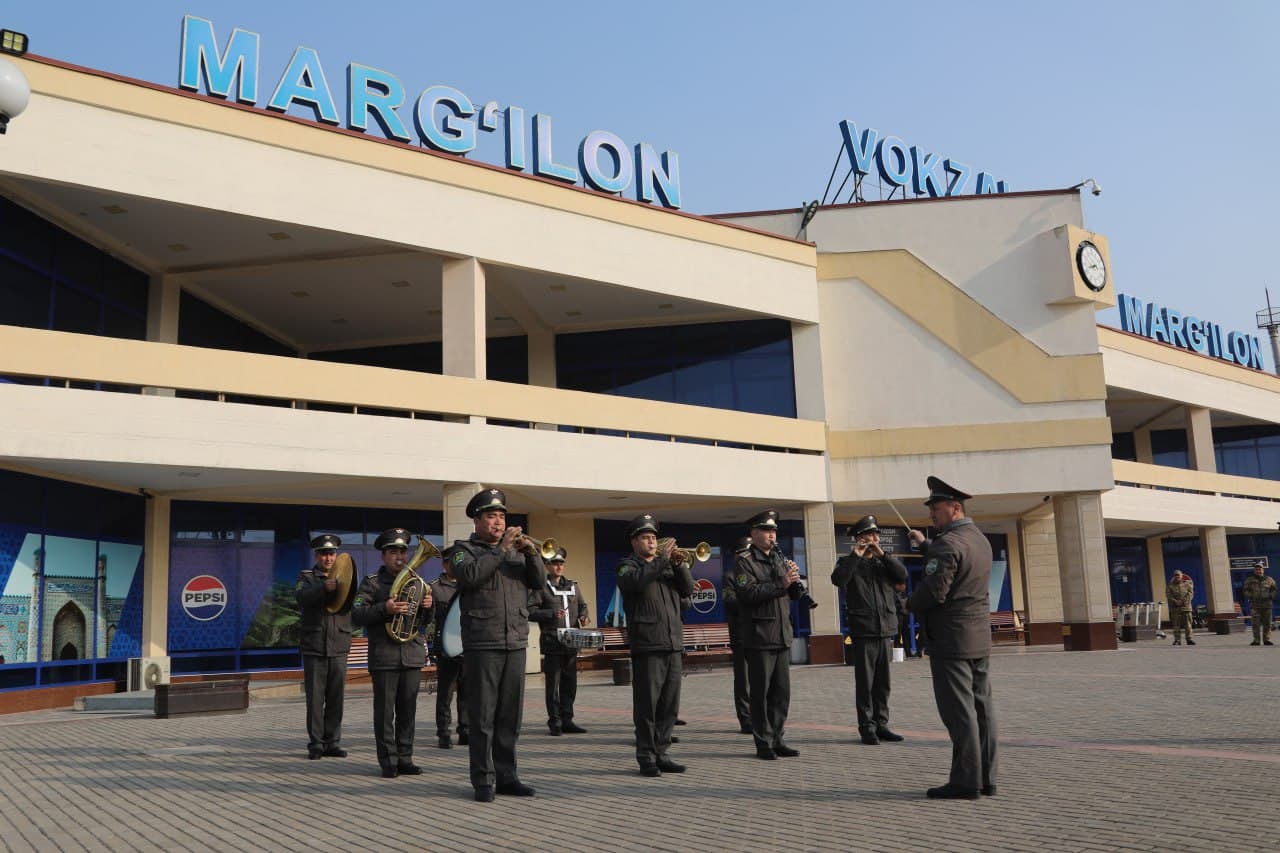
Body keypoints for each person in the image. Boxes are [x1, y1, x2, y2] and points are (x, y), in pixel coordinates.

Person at [447, 488, 546, 802]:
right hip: (482, 642)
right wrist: (500, 551)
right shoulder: (463, 550)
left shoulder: (517, 551)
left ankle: (507, 777)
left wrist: (531, 553)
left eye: (502, 516)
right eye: (491, 516)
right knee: (483, 717)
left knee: (509, 716)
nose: (499, 522)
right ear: (476, 520)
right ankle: (483, 781)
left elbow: (539, 583)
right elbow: (471, 576)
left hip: (515, 641)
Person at [907, 476, 997, 800]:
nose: (932, 514)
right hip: (978, 638)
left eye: (937, 508)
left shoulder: (947, 543)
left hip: (951, 640)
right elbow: (956, 569)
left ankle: (965, 782)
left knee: (960, 714)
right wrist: (924, 546)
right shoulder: (979, 540)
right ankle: (987, 778)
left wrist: (908, 603)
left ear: (955, 508)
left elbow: (935, 590)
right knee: (982, 708)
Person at [616, 514, 694, 777]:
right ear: (634, 541)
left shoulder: (667, 567)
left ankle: (662, 752)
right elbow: (636, 583)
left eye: (653, 538)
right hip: (648, 644)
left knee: (669, 706)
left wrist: (679, 565)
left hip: (672, 643)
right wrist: (661, 560)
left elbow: (688, 591)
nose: (651, 542)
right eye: (646, 538)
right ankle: (646, 757)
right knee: (647, 706)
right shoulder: (627, 566)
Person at [351, 528, 431, 779]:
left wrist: (430, 606)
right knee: (385, 712)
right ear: (383, 556)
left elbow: (424, 621)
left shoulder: (417, 581)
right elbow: (356, 614)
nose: (400, 557)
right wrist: (384, 608)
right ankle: (388, 760)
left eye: (403, 552)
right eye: (393, 552)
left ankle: (405, 758)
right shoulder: (372, 582)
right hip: (385, 655)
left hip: (412, 654)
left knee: (408, 710)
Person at [830, 515, 908, 746]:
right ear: (858, 538)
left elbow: (902, 575)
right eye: (868, 535)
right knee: (866, 683)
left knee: (883, 683)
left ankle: (881, 724)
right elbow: (839, 580)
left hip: (886, 630)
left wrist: (882, 554)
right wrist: (857, 553)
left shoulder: (884, 561)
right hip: (864, 630)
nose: (873, 539)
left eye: (875, 535)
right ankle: (867, 727)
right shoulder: (848, 561)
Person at [732, 510, 803, 761]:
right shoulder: (745, 561)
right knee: (761, 694)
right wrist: (780, 584)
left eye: (773, 531)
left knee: (781, 693)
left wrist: (795, 583)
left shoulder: (778, 558)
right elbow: (747, 594)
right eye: (766, 530)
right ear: (753, 534)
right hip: (760, 636)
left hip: (782, 634)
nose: (771, 535)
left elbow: (790, 594)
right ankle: (763, 742)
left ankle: (778, 738)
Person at [294, 534, 354, 760]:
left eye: (331, 553)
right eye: (323, 554)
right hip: (315, 645)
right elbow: (301, 597)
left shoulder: (345, 577)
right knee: (315, 698)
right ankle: (316, 743)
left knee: (336, 697)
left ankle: (333, 742)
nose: (328, 558)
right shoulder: (307, 577)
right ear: (316, 555)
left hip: (339, 644)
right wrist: (324, 588)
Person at [528, 547, 590, 735]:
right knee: (553, 684)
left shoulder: (573, 585)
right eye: (555, 563)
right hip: (552, 641)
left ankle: (567, 719)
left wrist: (584, 616)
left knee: (570, 683)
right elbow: (530, 611)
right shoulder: (540, 587)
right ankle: (554, 721)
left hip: (571, 642)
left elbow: (582, 605)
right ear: (546, 565)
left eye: (561, 563)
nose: (559, 566)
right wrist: (550, 614)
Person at [430, 559, 469, 749]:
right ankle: (444, 732)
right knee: (445, 693)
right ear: (444, 565)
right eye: (450, 563)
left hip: (467, 646)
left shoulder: (468, 585)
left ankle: (465, 731)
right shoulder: (434, 588)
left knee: (467, 692)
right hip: (446, 648)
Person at [721, 536, 753, 735]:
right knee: (744, 680)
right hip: (741, 634)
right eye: (743, 554)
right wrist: (753, 596)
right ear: (736, 556)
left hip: (760, 634)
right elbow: (730, 601)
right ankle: (746, 719)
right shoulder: (730, 575)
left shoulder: (757, 573)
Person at [1242, 562, 1276, 646]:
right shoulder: (1249, 580)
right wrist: (1251, 596)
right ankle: (1256, 640)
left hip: (1267, 605)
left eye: (1260, 569)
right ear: (1254, 571)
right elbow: (1245, 590)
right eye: (1256, 569)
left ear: (1263, 570)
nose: (1258, 571)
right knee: (1255, 624)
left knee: (1267, 623)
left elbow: (1274, 589)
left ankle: (1266, 640)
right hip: (1255, 605)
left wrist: (1270, 596)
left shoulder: (1269, 579)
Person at [1167, 570, 1195, 646]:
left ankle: (1189, 639)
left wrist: (1183, 601)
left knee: (1188, 625)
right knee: (1176, 625)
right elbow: (1169, 595)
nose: (1177, 576)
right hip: (1175, 608)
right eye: (1175, 575)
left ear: (1181, 576)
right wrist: (1175, 601)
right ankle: (1177, 640)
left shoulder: (1187, 584)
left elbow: (1190, 594)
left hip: (1186, 608)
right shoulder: (1170, 585)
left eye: (1178, 575)